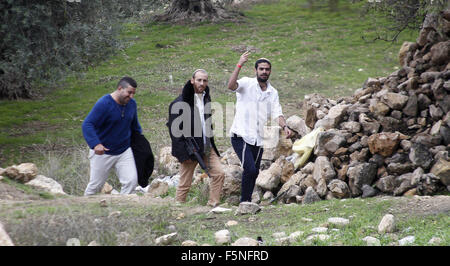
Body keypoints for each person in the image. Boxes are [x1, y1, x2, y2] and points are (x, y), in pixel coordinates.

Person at [227, 51, 292, 203]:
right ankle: (244, 202)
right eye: (261, 69)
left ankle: (247, 203)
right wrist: (239, 64)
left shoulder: (272, 92)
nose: (264, 71)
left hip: (257, 138)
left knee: (254, 171)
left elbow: (277, 113)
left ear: (270, 71)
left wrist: (285, 127)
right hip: (240, 135)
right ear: (255, 70)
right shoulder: (246, 83)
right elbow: (231, 86)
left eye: (267, 69)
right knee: (249, 169)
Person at [167, 69, 225, 207]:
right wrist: (182, 153)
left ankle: (213, 204)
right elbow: (174, 131)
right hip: (190, 148)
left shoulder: (206, 98)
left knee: (219, 174)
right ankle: (178, 208)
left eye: (204, 80)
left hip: (206, 146)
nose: (202, 83)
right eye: (199, 80)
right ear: (192, 80)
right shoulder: (179, 102)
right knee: (185, 182)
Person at [82, 77, 142, 195]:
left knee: (131, 181)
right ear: (120, 88)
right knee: (95, 186)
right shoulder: (104, 103)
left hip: (124, 151)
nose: (131, 96)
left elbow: (135, 125)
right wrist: (96, 144)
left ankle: (123, 207)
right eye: (129, 92)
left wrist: (141, 142)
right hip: (103, 152)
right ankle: (84, 207)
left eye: (133, 93)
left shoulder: (132, 104)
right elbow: (87, 124)